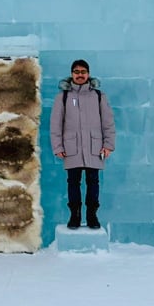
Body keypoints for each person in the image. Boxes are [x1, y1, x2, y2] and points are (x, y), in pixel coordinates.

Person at [49, 59, 115, 229]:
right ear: (72, 74)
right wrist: (58, 146)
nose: (80, 75)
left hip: (94, 146)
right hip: (72, 147)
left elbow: (108, 123)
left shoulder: (98, 96)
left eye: (83, 72)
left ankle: (92, 215)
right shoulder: (62, 97)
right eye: (76, 72)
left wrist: (108, 145)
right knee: (73, 182)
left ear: (88, 74)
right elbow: (56, 124)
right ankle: (75, 215)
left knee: (93, 182)